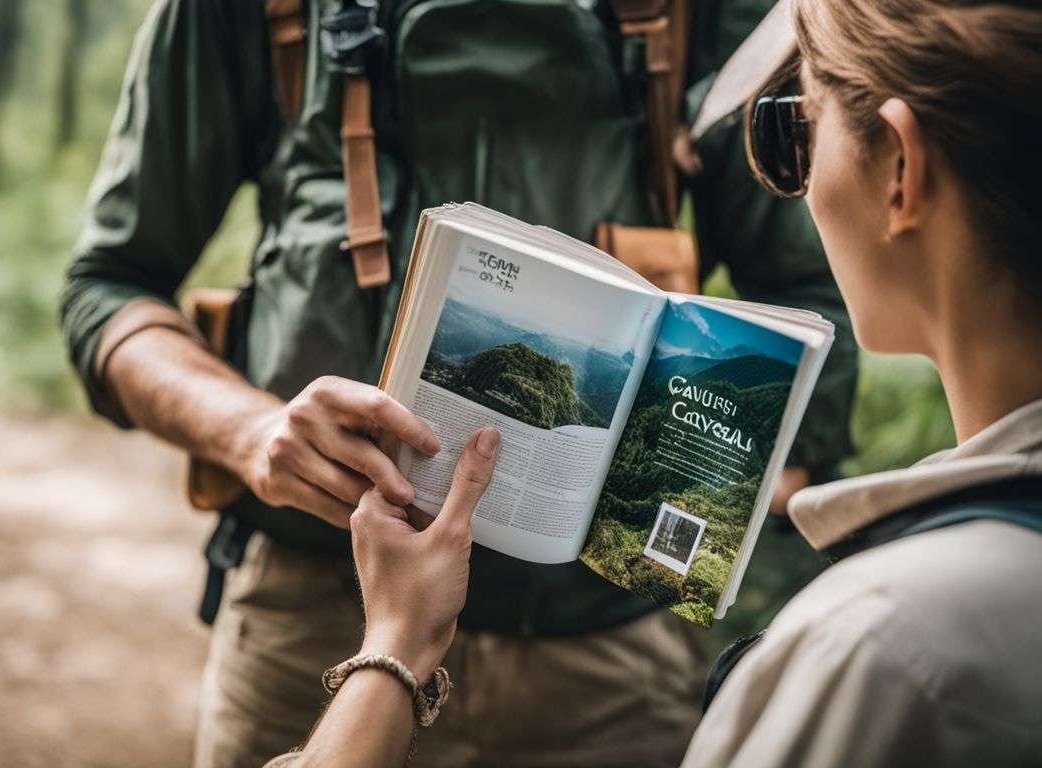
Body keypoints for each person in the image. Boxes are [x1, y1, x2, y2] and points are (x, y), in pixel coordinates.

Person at [60, 1, 857, 765]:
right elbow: (109, 288)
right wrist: (251, 433)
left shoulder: (710, 12)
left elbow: (816, 299)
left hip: (606, 659)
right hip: (314, 619)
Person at [266, 0, 1042, 764]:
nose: (798, 185)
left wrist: (393, 649)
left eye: (795, 128)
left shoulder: (874, 648)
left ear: (900, 169)